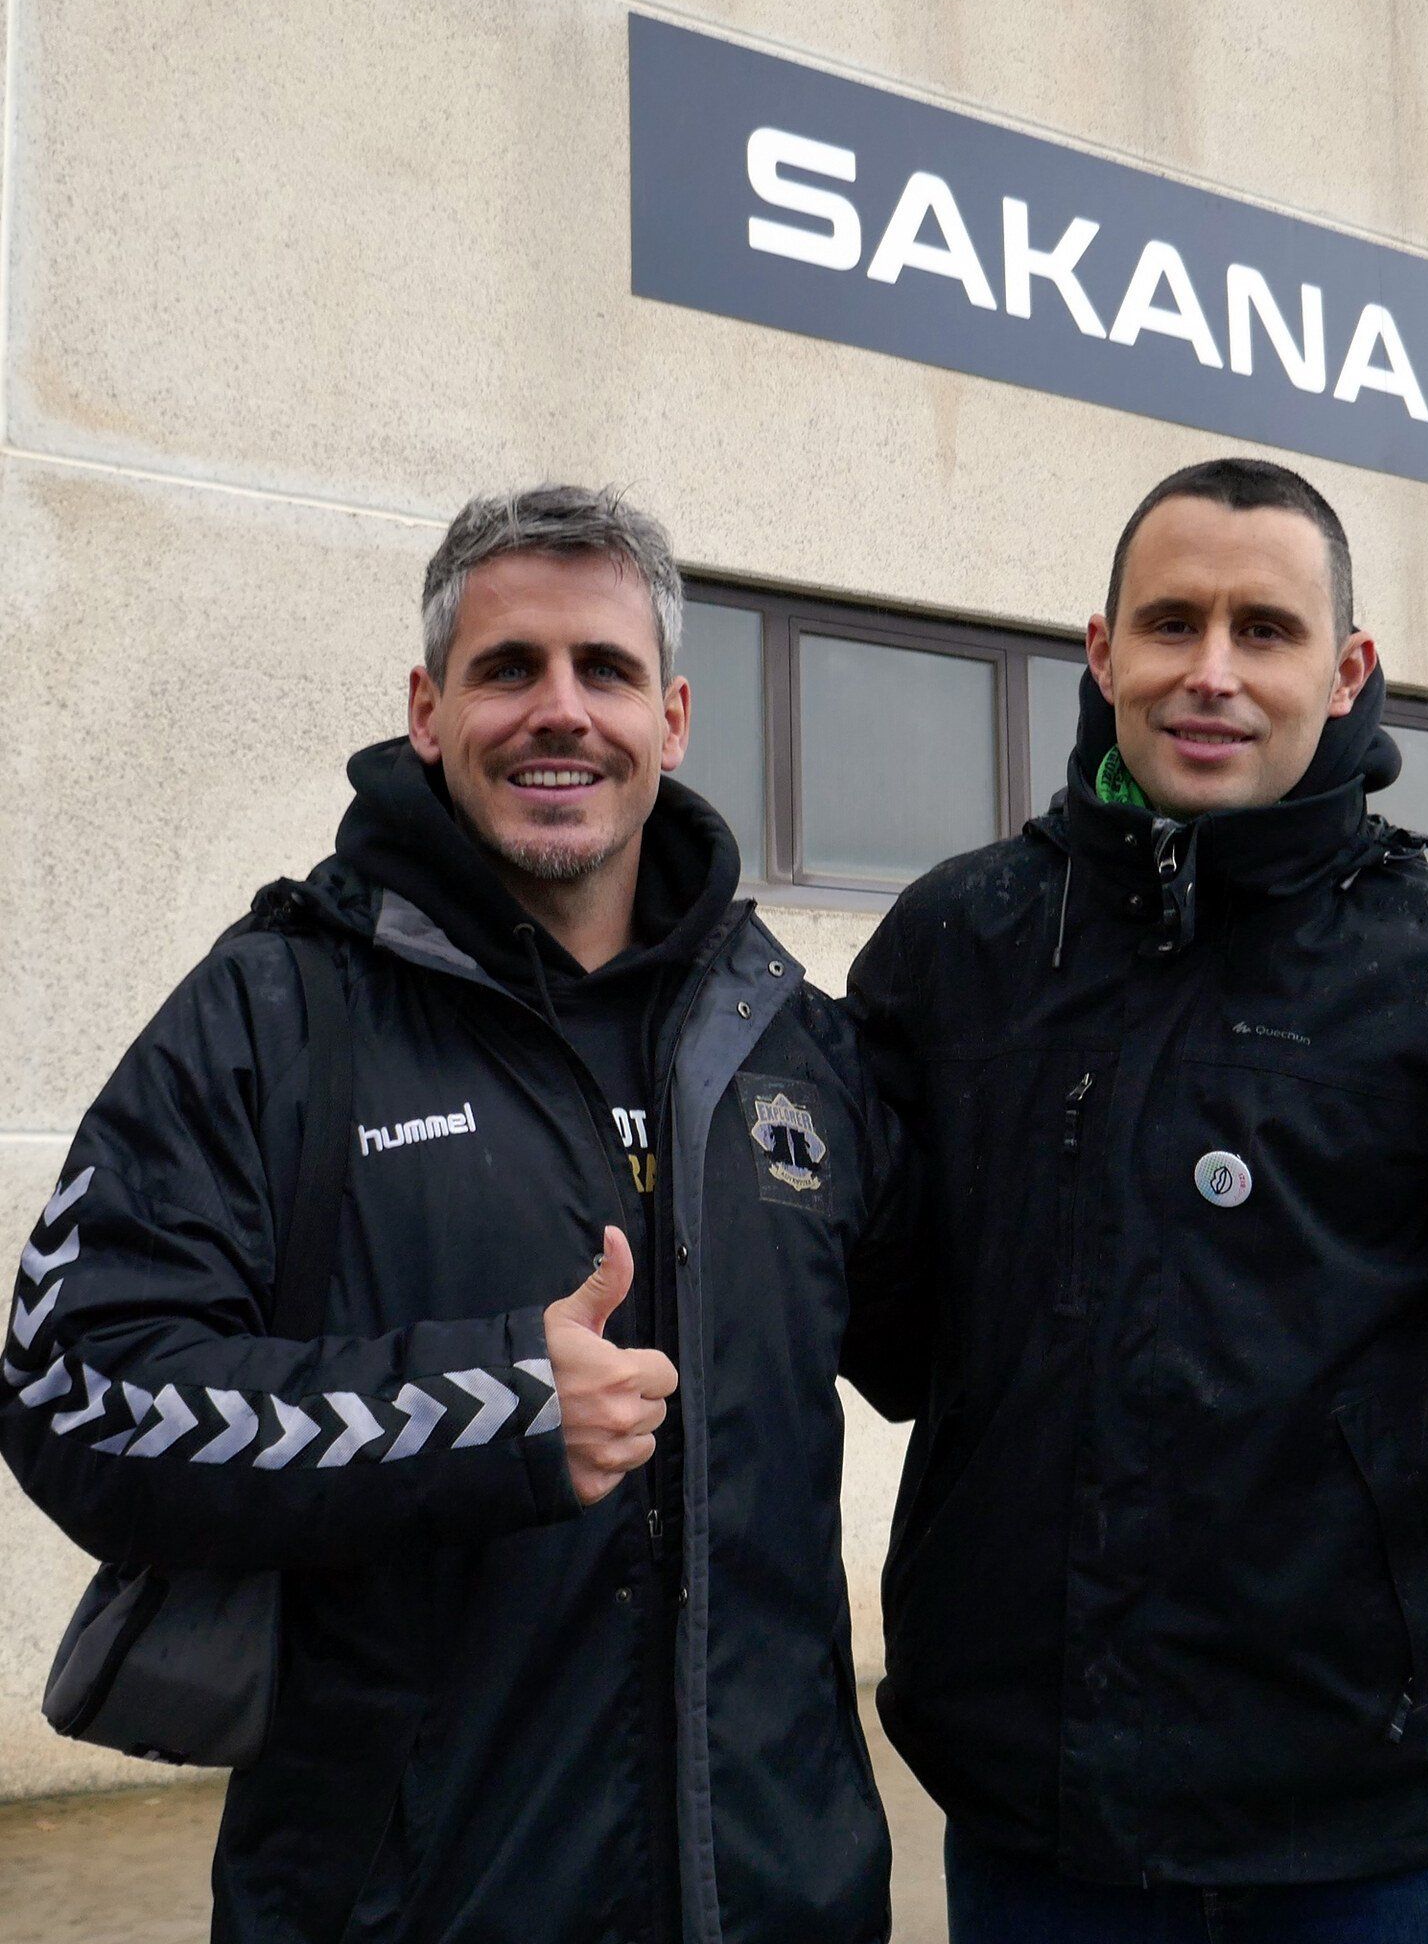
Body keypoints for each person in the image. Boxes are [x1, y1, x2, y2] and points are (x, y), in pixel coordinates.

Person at [843, 458, 1428, 1942]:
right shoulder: (960, 947)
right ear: (1102, 652)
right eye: (1171, 624)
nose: (1211, 674)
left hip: (1387, 1841)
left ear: (1346, 672)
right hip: (1042, 1831)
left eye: (1265, 632)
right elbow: (878, 1312)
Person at [2, 486, 894, 1944]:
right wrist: (486, 1409)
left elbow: (996, 1333)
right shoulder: (280, 1007)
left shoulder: (788, 1041)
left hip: (778, 1897)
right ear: (428, 709)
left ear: (672, 719)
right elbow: (75, 1386)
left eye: (603, 671)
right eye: (507, 669)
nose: (561, 712)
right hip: (402, 1902)